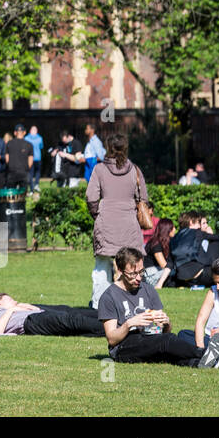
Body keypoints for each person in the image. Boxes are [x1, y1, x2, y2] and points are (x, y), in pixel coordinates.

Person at [97, 247, 210, 367]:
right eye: (133, 274)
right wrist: (129, 324)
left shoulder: (148, 289)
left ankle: (201, 363)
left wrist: (166, 323)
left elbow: (164, 331)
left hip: (151, 340)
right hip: (123, 347)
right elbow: (112, 339)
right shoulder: (109, 296)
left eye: (141, 272)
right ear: (120, 271)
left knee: (170, 352)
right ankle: (205, 354)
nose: (139, 278)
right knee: (167, 341)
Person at [85, 132, 147, 309]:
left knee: (102, 268)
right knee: (133, 268)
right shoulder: (134, 169)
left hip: (105, 223)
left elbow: (91, 197)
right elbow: (143, 197)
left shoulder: (99, 169)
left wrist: (97, 213)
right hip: (129, 224)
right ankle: (133, 304)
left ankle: (99, 306)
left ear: (108, 148)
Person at [0, 294, 104, 337]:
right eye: (10, 299)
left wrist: (32, 307)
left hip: (38, 313)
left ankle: (111, 317)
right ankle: (111, 328)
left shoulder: (18, 306)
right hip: (30, 321)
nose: (14, 301)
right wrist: (10, 310)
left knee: (70, 311)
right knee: (70, 320)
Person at [144, 217, 174, 289]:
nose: (175, 230)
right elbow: (163, 265)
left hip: (158, 272)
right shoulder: (156, 244)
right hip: (151, 275)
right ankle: (159, 285)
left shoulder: (164, 243)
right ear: (167, 230)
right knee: (172, 269)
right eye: (173, 228)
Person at [4, 123, 33, 193]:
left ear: (15, 133)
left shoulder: (9, 144)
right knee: (23, 195)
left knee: (11, 194)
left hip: (12, 172)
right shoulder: (29, 145)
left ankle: (12, 204)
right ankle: (21, 204)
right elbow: (30, 161)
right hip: (24, 172)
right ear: (24, 132)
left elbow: (7, 160)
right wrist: (26, 168)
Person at [24, 125, 44, 193]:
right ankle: (34, 186)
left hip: (35, 158)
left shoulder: (26, 138)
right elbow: (41, 147)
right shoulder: (39, 138)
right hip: (32, 158)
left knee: (33, 173)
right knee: (33, 173)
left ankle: (33, 188)